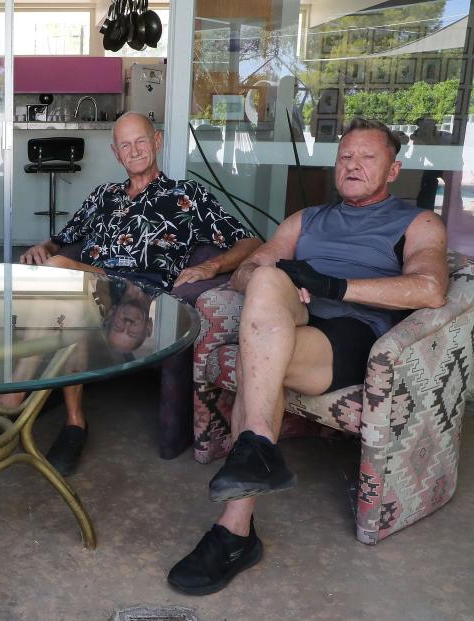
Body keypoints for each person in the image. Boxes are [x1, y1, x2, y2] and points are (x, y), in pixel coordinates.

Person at [167, 118, 448, 595]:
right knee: (264, 278)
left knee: (262, 362)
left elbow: (430, 289)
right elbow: (248, 271)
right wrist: (265, 271)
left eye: (366, 157)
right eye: (345, 157)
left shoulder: (416, 223)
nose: (352, 165)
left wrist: (334, 285)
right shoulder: (306, 218)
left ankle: (234, 530)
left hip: (351, 331)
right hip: (289, 319)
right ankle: (257, 457)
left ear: (394, 168)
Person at [11, 112, 261, 476]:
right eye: (125, 145)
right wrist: (42, 246)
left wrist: (211, 267)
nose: (134, 150)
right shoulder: (103, 196)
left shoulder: (187, 195)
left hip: (144, 294)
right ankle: (60, 410)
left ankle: (22, 397)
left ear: (157, 141)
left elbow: (251, 241)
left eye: (141, 141)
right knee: (50, 276)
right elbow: (64, 238)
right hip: (94, 287)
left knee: (59, 273)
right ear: (116, 154)